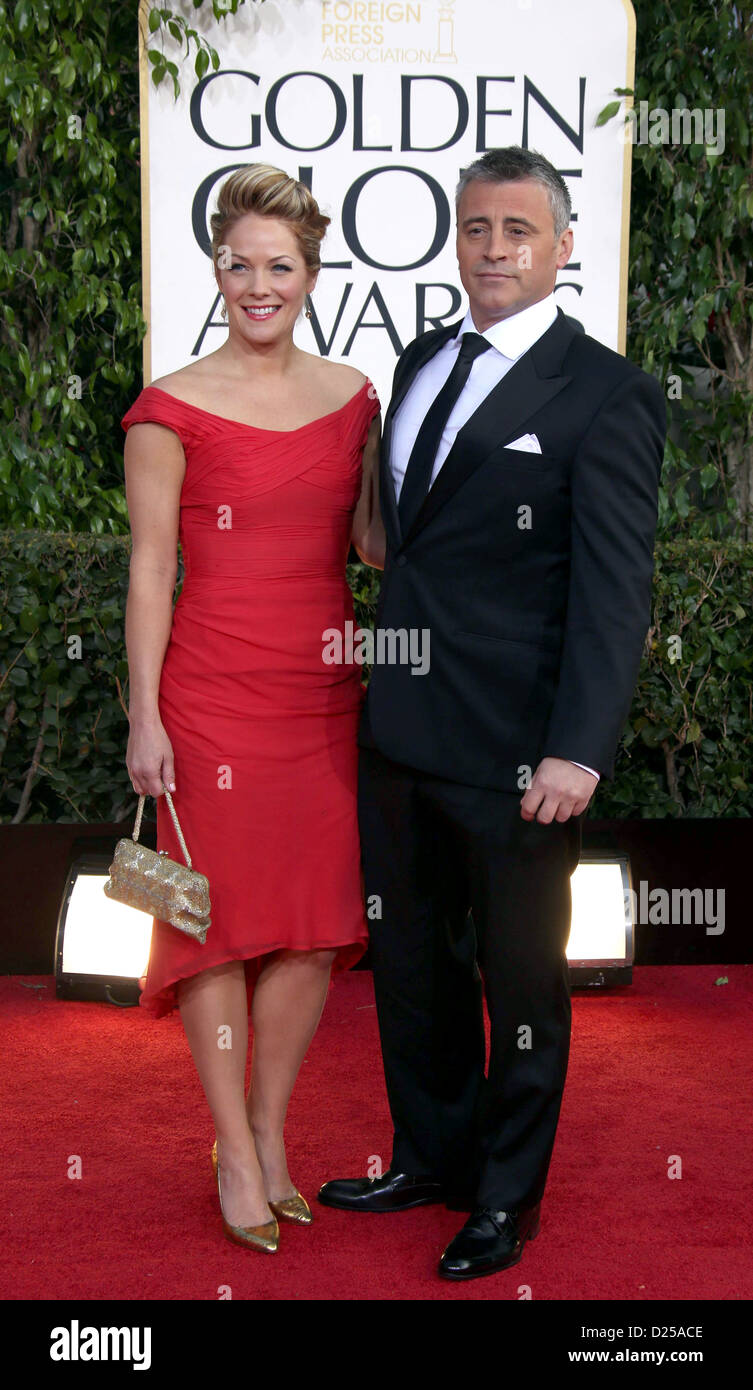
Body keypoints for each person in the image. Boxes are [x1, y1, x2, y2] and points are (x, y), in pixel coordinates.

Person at [318, 146, 666, 1280]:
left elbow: (616, 590)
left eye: (519, 230)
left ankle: (506, 1200)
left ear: (564, 246)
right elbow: (396, 545)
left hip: (521, 751)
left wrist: (579, 748)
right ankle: (432, 1155)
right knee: (412, 965)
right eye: (476, 229)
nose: (494, 249)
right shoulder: (420, 359)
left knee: (520, 982)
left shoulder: (608, 392)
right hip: (401, 733)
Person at [121, 164, 383, 1253]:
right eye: (242, 264)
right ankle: (231, 1146)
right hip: (212, 693)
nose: (259, 283)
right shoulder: (168, 406)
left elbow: (375, 544)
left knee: (316, 932)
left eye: (282, 265)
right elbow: (147, 571)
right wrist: (145, 718)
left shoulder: (357, 396)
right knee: (214, 928)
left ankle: (271, 1132)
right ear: (218, 269)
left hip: (321, 693)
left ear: (312, 276)